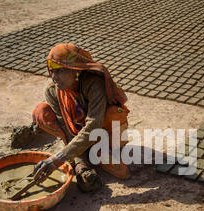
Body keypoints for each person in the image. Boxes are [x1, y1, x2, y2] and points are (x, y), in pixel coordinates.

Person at [31, 43, 130, 192]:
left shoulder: (94, 85)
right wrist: (80, 164)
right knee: (41, 111)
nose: (54, 77)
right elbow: (66, 127)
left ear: (76, 71)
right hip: (78, 134)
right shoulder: (53, 91)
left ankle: (99, 150)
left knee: (121, 170)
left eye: (61, 71)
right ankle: (81, 158)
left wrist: (57, 159)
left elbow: (93, 127)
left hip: (102, 133)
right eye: (52, 71)